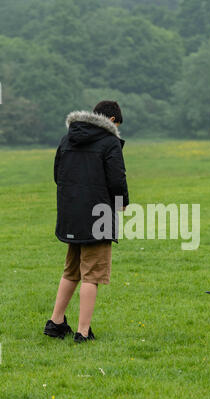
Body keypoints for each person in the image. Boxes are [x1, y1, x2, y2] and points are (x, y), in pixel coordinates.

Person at [43, 100, 129, 343]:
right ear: (112, 120)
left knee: (71, 271)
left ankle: (56, 322)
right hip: (98, 217)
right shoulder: (109, 141)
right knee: (92, 275)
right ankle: (83, 332)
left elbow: (57, 176)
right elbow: (116, 180)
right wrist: (121, 203)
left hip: (71, 217)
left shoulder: (67, 138)